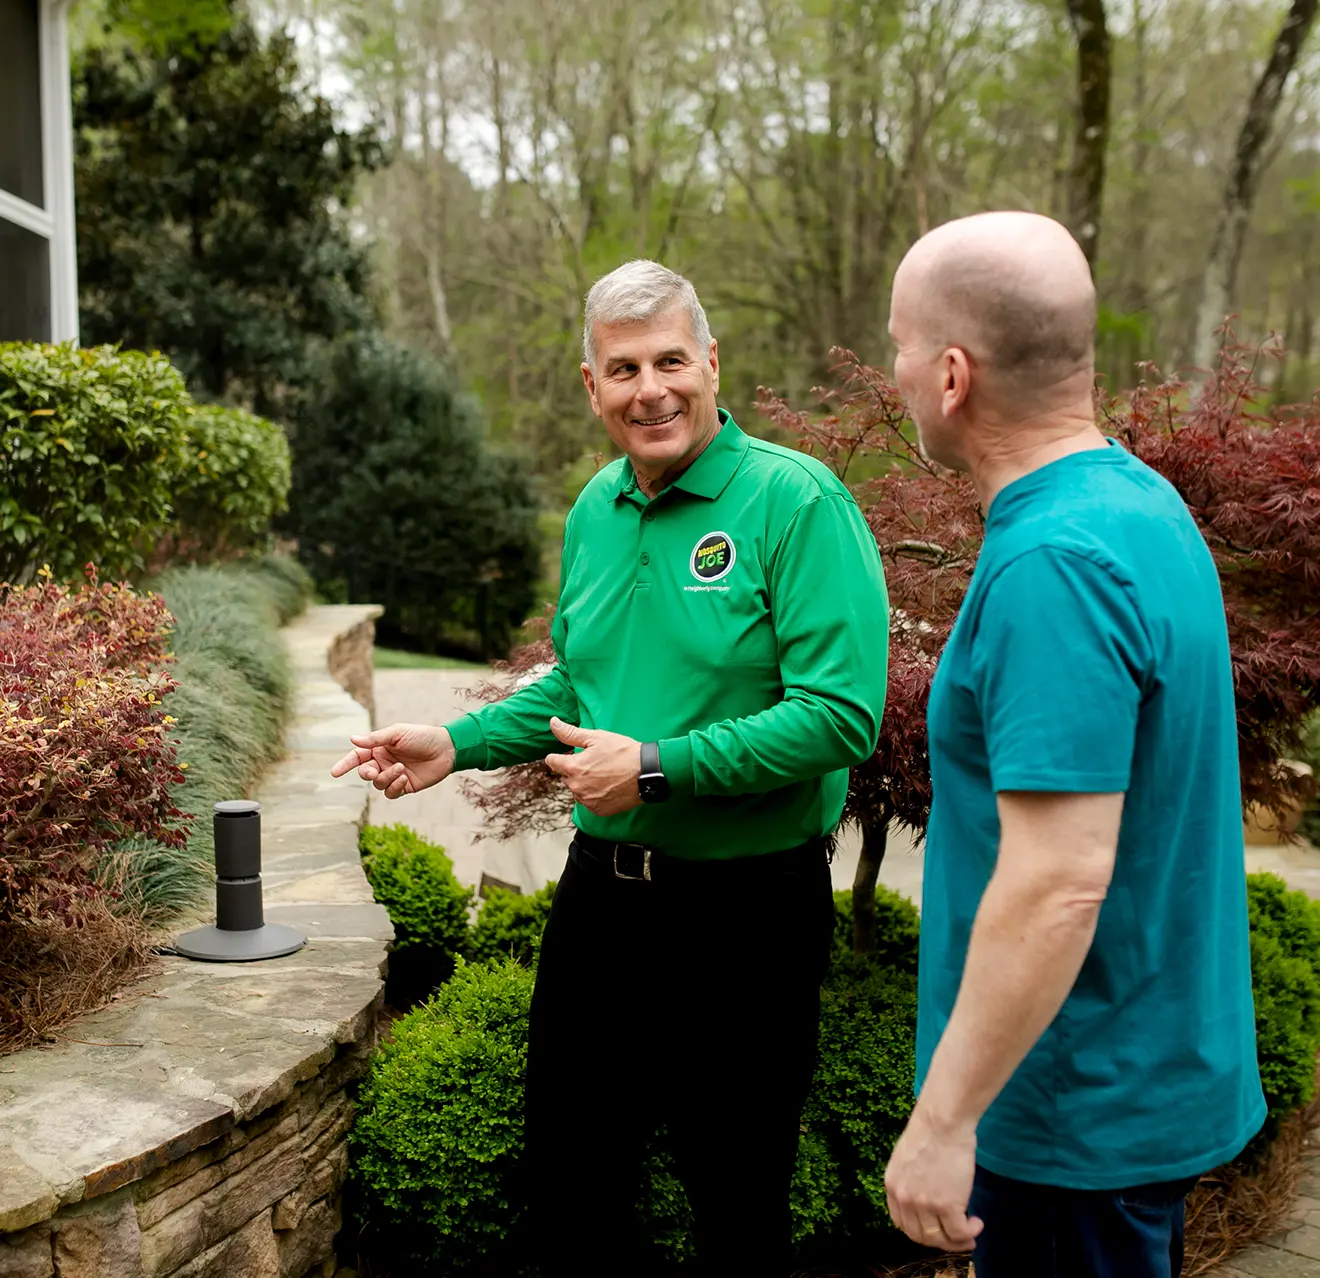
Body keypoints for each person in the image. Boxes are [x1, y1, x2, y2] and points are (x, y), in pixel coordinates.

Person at [331, 259, 890, 1277]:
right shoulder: (595, 509)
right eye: (624, 369)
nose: (652, 389)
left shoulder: (794, 502)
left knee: (736, 1196)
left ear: (712, 363)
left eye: (672, 359)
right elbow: (579, 692)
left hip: (749, 912)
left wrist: (661, 770)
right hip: (606, 906)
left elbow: (839, 718)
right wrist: (458, 743)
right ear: (592, 386)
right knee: (573, 1185)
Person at [880, 210, 1265, 1278]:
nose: (896, 367)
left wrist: (945, 1121)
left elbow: (1058, 883)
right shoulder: (1139, 501)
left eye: (901, 343)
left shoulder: (1055, 564)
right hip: (1121, 1086)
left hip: (1069, 1118)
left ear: (952, 374)